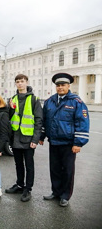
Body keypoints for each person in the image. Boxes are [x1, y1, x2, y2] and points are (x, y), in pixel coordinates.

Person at [39, 73, 90, 207]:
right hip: (54, 141)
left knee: (67, 170)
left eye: (63, 85)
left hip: (68, 144)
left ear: (68, 86)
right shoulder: (50, 101)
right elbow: (45, 121)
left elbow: (82, 123)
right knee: (54, 169)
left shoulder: (76, 102)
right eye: (58, 85)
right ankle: (56, 192)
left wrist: (78, 143)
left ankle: (65, 195)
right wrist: (41, 136)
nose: (60, 87)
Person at [5, 74, 42, 202]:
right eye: (17, 82)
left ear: (26, 82)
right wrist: (9, 108)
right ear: (15, 84)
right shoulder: (12, 99)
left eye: (22, 81)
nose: (20, 84)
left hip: (28, 138)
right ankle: (20, 185)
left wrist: (35, 140)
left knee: (29, 165)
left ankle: (28, 189)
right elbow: (9, 117)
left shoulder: (34, 99)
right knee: (18, 164)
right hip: (15, 137)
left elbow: (38, 121)